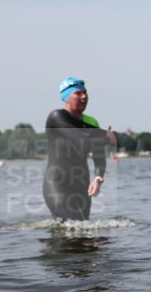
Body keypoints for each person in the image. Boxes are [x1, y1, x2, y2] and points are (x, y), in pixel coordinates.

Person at [43, 77, 111, 220]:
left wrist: (99, 177)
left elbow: (98, 153)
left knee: (84, 232)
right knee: (67, 226)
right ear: (66, 97)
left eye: (85, 93)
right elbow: (83, 142)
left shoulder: (91, 122)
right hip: (57, 182)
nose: (84, 97)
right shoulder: (56, 117)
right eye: (78, 93)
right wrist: (103, 135)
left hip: (81, 182)